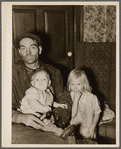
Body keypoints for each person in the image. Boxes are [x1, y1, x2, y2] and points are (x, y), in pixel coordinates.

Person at [12, 33, 74, 144]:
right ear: (19, 51)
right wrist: (19, 117)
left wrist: (54, 116)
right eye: (23, 48)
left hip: (50, 125)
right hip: (20, 127)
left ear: (39, 50)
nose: (28, 52)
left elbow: (66, 102)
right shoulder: (10, 73)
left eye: (33, 47)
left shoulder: (54, 72)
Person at [17, 69, 68, 136]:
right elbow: (33, 104)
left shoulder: (48, 93)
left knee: (47, 122)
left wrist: (58, 105)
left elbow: (50, 102)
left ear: (49, 83)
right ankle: (60, 132)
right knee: (45, 124)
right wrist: (44, 108)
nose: (41, 82)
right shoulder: (33, 91)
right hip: (28, 114)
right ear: (32, 83)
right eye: (37, 80)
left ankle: (63, 132)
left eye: (44, 79)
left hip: (39, 114)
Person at [67, 69, 101, 140]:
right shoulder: (69, 96)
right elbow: (72, 114)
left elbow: (97, 113)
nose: (75, 87)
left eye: (78, 84)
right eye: (72, 84)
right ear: (69, 85)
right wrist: (76, 99)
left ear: (84, 84)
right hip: (74, 130)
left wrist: (93, 127)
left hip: (89, 129)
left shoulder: (92, 98)